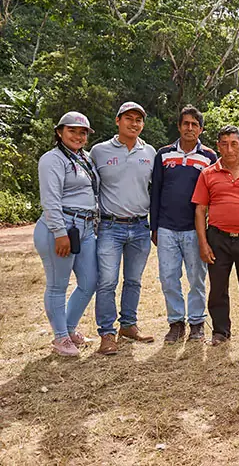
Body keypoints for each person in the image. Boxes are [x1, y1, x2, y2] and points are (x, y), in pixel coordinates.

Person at [90, 102, 156, 355]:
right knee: (106, 282)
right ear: (118, 120)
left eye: (139, 120)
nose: (134, 123)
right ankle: (107, 333)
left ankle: (128, 325)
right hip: (110, 226)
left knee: (134, 280)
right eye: (129, 118)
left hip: (140, 226)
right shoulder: (99, 151)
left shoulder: (149, 152)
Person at [192, 125, 239, 349]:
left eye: (234, 143)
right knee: (218, 288)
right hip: (218, 238)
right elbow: (200, 210)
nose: (230, 148)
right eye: (224, 143)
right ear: (218, 146)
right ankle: (220, 331)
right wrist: (203, 243)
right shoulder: (208, 173)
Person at [34, 112, 99, 356]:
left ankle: (69, 328)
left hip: (84, 228)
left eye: (83, 132)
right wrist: (59, 232)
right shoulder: (52, 159)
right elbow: (50, 199)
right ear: (60, 132)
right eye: (72, 130)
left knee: (90, 281)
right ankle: (60, 337)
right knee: (57, 285)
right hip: (60, 227)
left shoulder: (85, 158)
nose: (78, 136)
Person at [150, 105, 216, 343]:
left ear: (201, 129)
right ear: (178, 127)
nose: (190, 128)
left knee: (197, 277)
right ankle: (176, 322)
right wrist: (154, 227)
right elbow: (155, 191)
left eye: (194, 124)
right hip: (166, 227)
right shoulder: (164, 154)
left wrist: (208, 233)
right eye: (185, 123)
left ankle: (197, 323)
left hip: (194, 230)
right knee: (168, 277)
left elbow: (213, 194)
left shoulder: (209, 157)